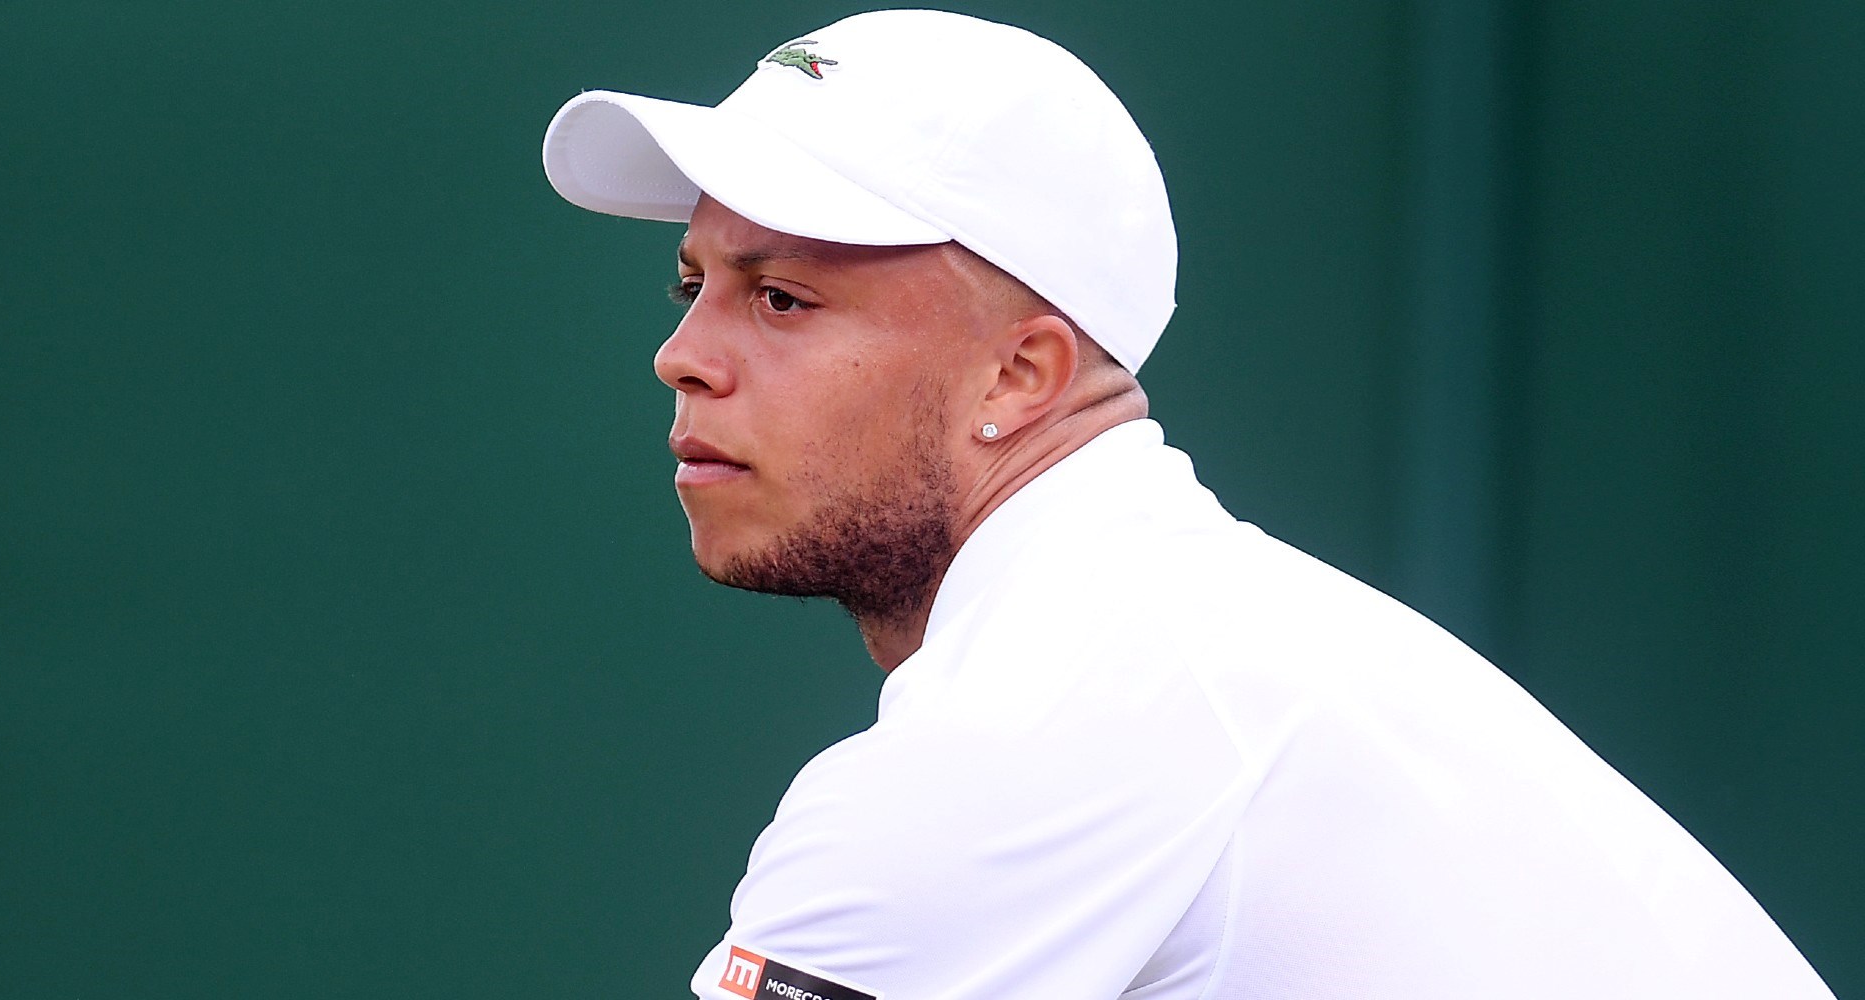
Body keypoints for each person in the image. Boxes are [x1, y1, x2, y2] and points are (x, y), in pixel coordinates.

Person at [539, 10, 1832, 999]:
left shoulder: (1033, 728)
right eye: (689, 282)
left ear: (1021, 373)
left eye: (781, 298)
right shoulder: (1182, 636)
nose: (685, 354)